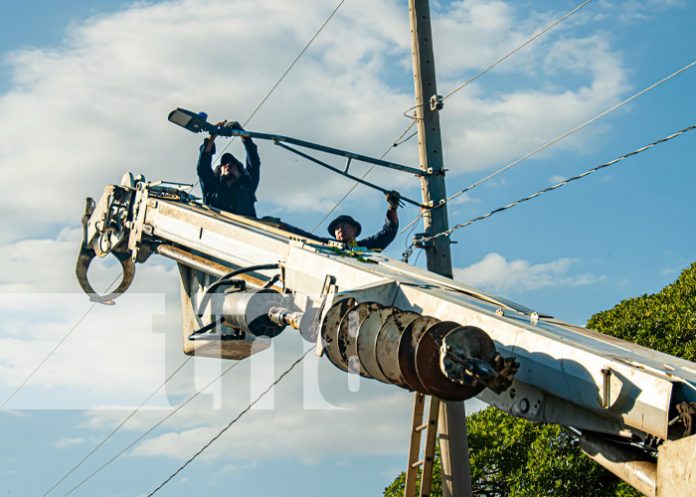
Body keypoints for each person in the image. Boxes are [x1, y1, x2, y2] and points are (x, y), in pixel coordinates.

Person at [196, 120, 260, 217]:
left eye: (232, 164)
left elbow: (254, 162)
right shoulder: (212, 186)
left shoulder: (247, 185)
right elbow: (203, 167)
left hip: (244, 229)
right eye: (224, 163)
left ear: (240, 172)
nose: (228, 164)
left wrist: (242, 133)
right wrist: (213, 135)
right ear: (220, 170)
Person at [325, 190, 403, 251]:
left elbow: (389, 232)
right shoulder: (326, 247)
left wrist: (392, 207)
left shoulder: (365, 247)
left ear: (354, 230)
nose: (340, 229)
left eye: (344, 226)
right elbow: (313, 240)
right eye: (337, 228)